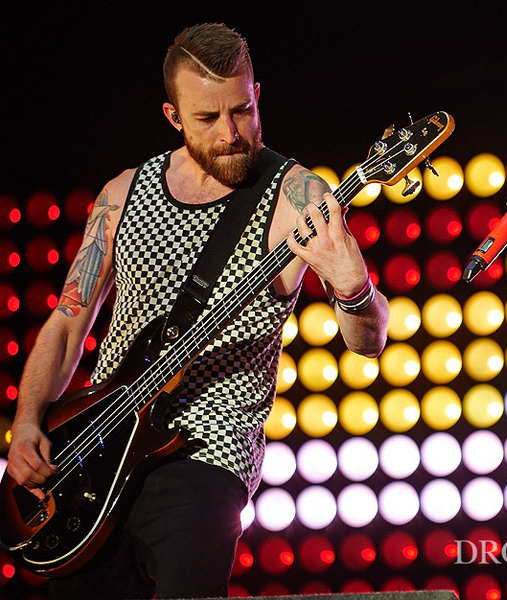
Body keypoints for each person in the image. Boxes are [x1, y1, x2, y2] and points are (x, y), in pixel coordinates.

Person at [5, 23, 389, 599]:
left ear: (257, 95)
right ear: (173, 116)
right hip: (97, 446)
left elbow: (368, 342)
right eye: (207, 118)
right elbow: (67, 323)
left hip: (208, 454)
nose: (231, 133)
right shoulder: (123, 194)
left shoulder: (297, 198)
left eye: (242, 110)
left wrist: (353, 286)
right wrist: (27, 422)